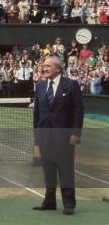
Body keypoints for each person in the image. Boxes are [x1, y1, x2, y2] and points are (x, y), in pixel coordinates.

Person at [33, 56, 83, 215]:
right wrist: (37, 134)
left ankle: (69, 204)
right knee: (48, 170)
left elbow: (78, 111)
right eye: (44, 66)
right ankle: (49, 201)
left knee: (65, 170)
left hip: (64, 136)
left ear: (58, 69)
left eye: (48, 66)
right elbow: (37, 112)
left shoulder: (72, 85)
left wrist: (76, 133)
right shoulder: (40, 86)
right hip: (45, 136)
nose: (44, 68)